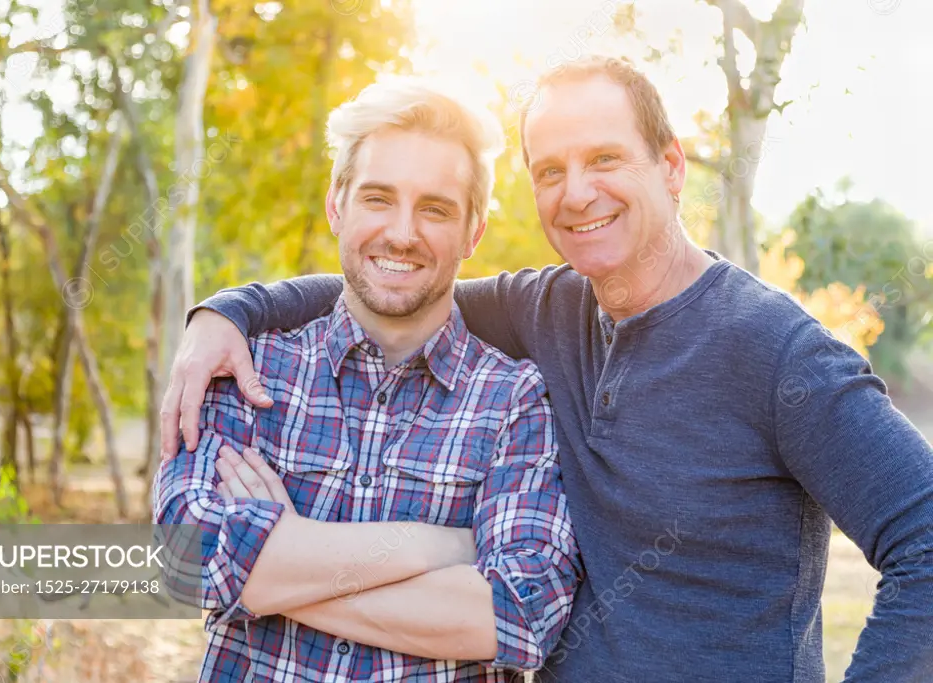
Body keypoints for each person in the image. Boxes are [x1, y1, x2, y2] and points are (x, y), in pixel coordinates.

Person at [163, 56, 933, 682]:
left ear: (671, 165)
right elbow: (394, 278)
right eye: (550, 169)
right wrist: (229, 311)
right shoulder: (548, 309)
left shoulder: (779, 354)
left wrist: (264, 578)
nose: (577, 192)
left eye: (604, 158)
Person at [152, 76, 581, 683]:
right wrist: (435, 547)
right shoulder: (247, 369)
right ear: (336, 206)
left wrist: (281, 563)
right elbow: (185, 561)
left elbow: (518, 614)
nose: (402, 234)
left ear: (473, 232)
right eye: (378, 198)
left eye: (435, 208)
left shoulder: (513, 399)